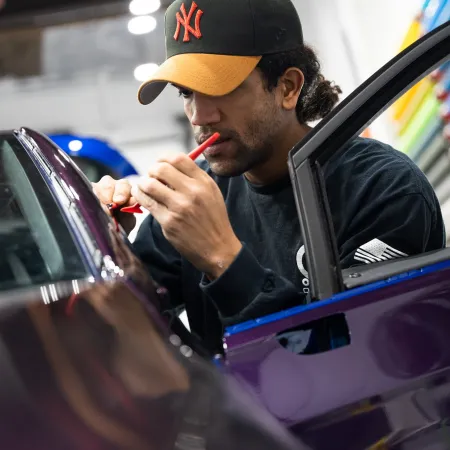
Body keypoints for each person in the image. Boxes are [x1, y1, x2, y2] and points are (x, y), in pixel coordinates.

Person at [93, 0, 445, 355]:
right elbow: (124, 333)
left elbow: (348, 361)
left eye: (219, 87)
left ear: (288, 87)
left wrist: (222, 258)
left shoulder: (384, 188)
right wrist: (105, 247)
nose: (199, 115)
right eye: (186, 93)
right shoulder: (194, 197)